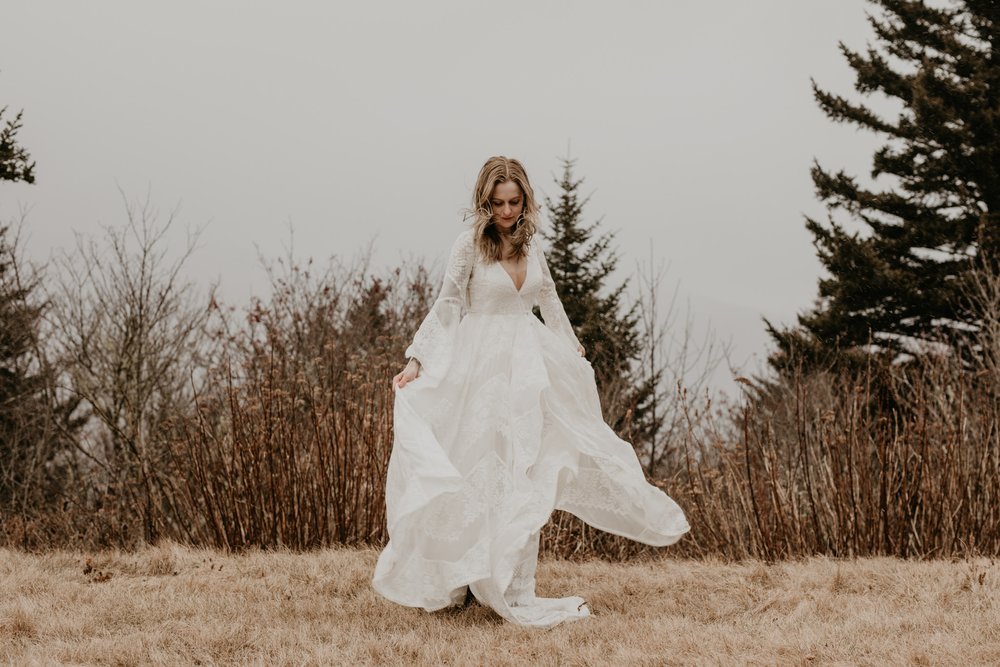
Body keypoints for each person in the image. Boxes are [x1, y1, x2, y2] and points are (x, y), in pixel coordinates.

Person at [372, 156, 689, 628]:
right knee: (478, 469)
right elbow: (447, 305)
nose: (506, 211)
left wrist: (571, 347)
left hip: (528, 370)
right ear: (485, 201)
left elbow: (549, 301)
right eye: (497, 203)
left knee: (528, 472)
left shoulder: (531, 244)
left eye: (514, 202)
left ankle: (516, 586)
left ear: (526, 201)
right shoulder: (469, 246)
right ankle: (464, 579)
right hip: (479, 371)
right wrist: (418, 360)